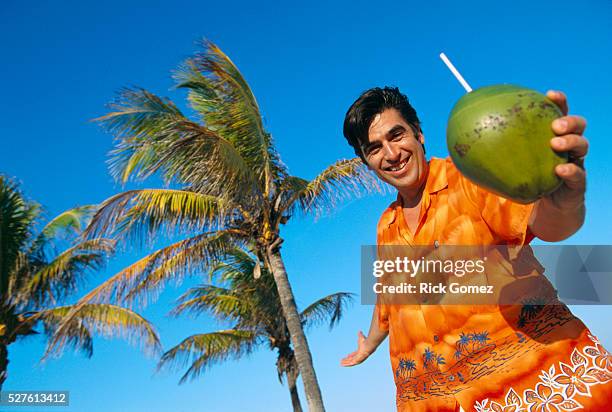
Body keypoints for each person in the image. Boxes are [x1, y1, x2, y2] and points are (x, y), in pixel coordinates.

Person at [339, 87, 612, 411]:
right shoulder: (386, 226)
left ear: (419, 134)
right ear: (368, 162)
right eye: (374, 149)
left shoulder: (470, 178)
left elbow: (546, 222)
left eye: (396, 135)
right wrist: (368, 345)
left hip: (543, 388)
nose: (391, 153)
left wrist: (564, 200)